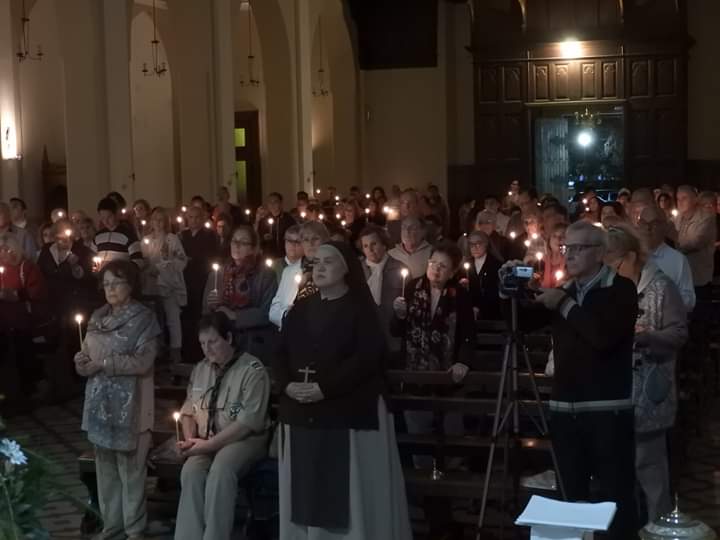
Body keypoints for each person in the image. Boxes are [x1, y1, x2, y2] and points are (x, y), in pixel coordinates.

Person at [502, 221, 639, 540]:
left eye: (578, 248)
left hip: (607, 409)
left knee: (614, 497)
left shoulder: (620, 289)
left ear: (600, 253)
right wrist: (509, 290)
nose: (570, 255)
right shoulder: (565, 291)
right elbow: (519, 325)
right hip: (565, 409)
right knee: (570, 497)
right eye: (567, 248)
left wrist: (563, 304)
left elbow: (602, 336)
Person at [274, 240, 412, 540]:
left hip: (347, 411)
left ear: (347, 268)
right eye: (316, 263)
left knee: (346, 493)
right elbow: (279, 353)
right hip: (302, 412)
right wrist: (287, 384)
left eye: (328, 262)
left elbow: (368, 358)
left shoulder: (362, 309)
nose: (319, 268)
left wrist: (325, 389)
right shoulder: (301, 307)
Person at [604, 225, 687, 525]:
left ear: (630, 257)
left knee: (651, 471)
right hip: (615, 393)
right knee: (616, 475)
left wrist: (648, 335)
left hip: (649, 392)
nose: (611, 272)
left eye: (614, 266)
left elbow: (679, 333)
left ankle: (658, 527)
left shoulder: (662, 287)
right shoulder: (610, 289)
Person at [391, 240, 474, 539]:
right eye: (432, 263)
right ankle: (430, 512)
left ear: (452, 272)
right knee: (421, 444)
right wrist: (398, 315)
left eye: (442, 266)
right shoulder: (412, 289)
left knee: (451, 441)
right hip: (416, 376)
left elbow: (467, 334)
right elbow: (396, 332)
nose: (435, 270)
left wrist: (463, 361)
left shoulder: (459, 296)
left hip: (446, 374)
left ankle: (452, 510)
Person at [74, 259, 161, 540]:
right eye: (106, 283)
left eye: (117, 282)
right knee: (106, 472)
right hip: (100, 405)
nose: (110, 288)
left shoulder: (144, 319)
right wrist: (81, 362)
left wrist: (105, 364)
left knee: (131, 473)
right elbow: (87, 353)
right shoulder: (98, 317)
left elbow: (144, 361)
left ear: (131, 285)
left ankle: (134, 530)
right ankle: (112, 528)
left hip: (132, 406)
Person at [175, 311, 272, 540]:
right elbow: (188, 410)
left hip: (244, 440)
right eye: (202, 343)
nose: (207, 349)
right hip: (207, 440)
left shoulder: (252, 370)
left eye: (212, 342)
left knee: (222, 469)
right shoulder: (201, 369)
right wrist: (190, 441)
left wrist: (207, 447)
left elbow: (247, 423)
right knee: (191, 471)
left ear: (228, 338)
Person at [36, 219, 97, 400]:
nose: (62, 239)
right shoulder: (48, 251)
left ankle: (78, 381)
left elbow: (89, 278)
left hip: (75, 303)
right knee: (55, 342)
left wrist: (75, 266)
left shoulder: (82, 252)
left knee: (75, 340)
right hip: (53, 304)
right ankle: (57, 383)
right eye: (59, 234)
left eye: (66, 234)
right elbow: (41, 274)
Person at [203, 225, 278, 359]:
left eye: (243, 242)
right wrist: (212, 304)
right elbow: (207, 312)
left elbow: (268, 313)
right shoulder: (219, 274)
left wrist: (235, 315)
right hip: (224, 341)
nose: (237, 245)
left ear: (253, 248)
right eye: (234, 241)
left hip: (252, 342)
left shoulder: (265, 275)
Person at [0, 232, 48, 406]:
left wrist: (14, 294)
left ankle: (31, 392)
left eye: (6, 249)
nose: (4, 253)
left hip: (23, 321)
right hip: (4, 322)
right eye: (1, 250)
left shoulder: (27, 267)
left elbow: (37, 292)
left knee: (25, 355)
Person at [141, 207, 188, 365]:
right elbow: (142, 261)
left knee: (172, 319)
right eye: (155, 219)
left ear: (166, 222)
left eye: (161, 219)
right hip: (150, 285)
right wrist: (147, 266)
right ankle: (155, 353)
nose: (158, 223)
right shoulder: (146, 240)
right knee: (153, 319)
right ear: (151, 222)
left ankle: (176, 354)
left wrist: (162, 267)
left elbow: (182, 260)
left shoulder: (172, 239)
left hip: (168, 284)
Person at [180, 205, 220, 363]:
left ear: (203, 219)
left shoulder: (210, 236)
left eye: (197, 217)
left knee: (200, 317)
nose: (194, 220)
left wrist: (193, 259)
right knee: (186, 318)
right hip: (185, 281)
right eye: (191, 217)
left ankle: (201, 351)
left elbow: (212, 257)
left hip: (202, 279)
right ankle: (187, 352)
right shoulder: (182, 235)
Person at [637, 206, 696, 312]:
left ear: (664, 227)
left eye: (654, 224)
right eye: (643, 223)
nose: (647, 228)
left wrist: (662, 299)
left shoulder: (678, 260)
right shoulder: (630, 256)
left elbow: (689, 301)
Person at [359, 225, 405, 355]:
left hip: (391, 336)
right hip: (365, 335)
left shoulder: (398, 268)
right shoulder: (358, 270)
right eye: (366, 246)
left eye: (374, 244)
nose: (370, 250)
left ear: (384, 244)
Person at [674, 185, 716, 298]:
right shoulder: (677, 218)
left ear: (695, 199)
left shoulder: (706, 218)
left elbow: (695, 243)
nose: (680, 202)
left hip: (698, 277)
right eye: (678, 199)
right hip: (680, 277)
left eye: (684, 198)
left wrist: (673, 244)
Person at [269, 225, 309, 329]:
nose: (292, 245)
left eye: (297, 242)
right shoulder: (274, 266)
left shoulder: (308, 270)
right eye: (289, 241)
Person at [462, 231, 502, 319]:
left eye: (478, 243)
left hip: (491, 312)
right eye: (471, 244)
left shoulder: (496, 265)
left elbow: (495, 291)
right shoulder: (467, 264)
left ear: (486, 244)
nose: (475, 247)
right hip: (470, 311)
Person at [95, 197, 143, 268]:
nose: (106, 221)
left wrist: (116, 267)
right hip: (102, 278)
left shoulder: (129, 235)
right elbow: (91, 259)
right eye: (102, 218)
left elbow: (138, 262)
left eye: (109, 217)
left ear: (116, 214)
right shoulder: (98, 236)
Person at [293, 220, 330, 303]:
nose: (310, 243)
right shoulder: (294, 270)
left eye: (315, 238)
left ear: (325, 241)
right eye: (306, 240)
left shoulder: (332, 269)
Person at [256, 192, 296, 258]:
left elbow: (293, 234)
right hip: (268, 254)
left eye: (275, 202)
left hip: (284, 254)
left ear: (280, 203)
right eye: (270, 202)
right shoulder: (264, 220)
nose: (272, 204)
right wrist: (264, 237)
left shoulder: (288, 219)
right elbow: (258, 236)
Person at [541, 223, 568, 288]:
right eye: (554, 236)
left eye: (562, 236)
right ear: (549, 240)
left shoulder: (570, 262)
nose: (558, 239)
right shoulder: (542, 262)